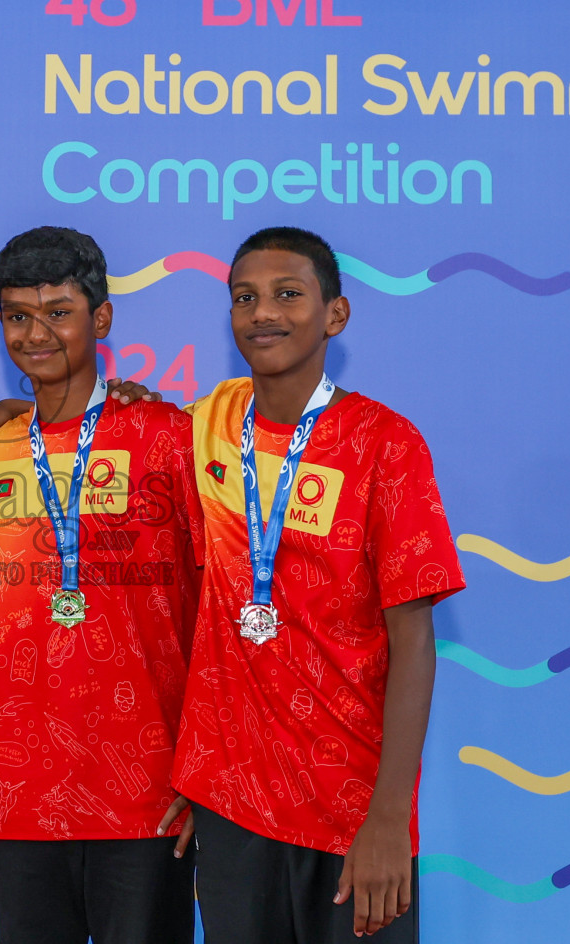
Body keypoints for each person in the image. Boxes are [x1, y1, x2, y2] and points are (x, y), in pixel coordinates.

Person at [164, 227, 465, 942]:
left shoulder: (385, 444)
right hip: (230, 803)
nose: (263, 312)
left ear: (335, 315)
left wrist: (391, 817)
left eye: (287, 294)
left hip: (351, 811)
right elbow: (93, 426)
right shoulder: (203, 430)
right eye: (245, 297)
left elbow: (414, 643)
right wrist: (0, 416)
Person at [0, 227, 203, 944]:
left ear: (102, 318)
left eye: (58, 311)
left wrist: (204, 766)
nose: (36, 333)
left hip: (147, 787)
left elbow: (219, 611)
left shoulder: (168, 436)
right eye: (18, 315)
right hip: (15, 786)